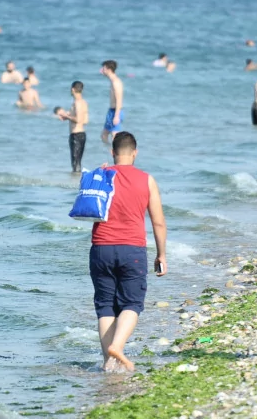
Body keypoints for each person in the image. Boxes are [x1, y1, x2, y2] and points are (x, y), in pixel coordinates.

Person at [89, 132, 167, 372]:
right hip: (132, 249)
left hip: (100, 248)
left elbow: (86, 202)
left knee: (105, 306)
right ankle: (118, 347)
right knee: (132, 304)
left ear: (112, 153)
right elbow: (158, 222)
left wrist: (99, 173)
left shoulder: (101, 175)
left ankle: (108, 364)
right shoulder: (146, 180)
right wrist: (161, 254)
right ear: (135, 152)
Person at [57, 81, 89, 172]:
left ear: (72, 89)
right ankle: (76, 180)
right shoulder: (84, 103)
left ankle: (75, 182)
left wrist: (67, 116)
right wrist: (67, 117)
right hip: (82, 134)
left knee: (75, 163)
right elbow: (85, 121)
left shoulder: (77, 103)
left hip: (76, 135)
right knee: (78, 161)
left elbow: (78, 119)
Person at [101, 60, 124, 144]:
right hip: (111, 111)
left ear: (109, 69)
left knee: (115, 136)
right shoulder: (112, 80)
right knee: (104, 136)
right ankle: (110, 152)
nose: (102, 70)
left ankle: (116, 154)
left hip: (116, 112)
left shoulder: (116, 82)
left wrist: (116, 116)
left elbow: (119, 100)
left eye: (103, 68)